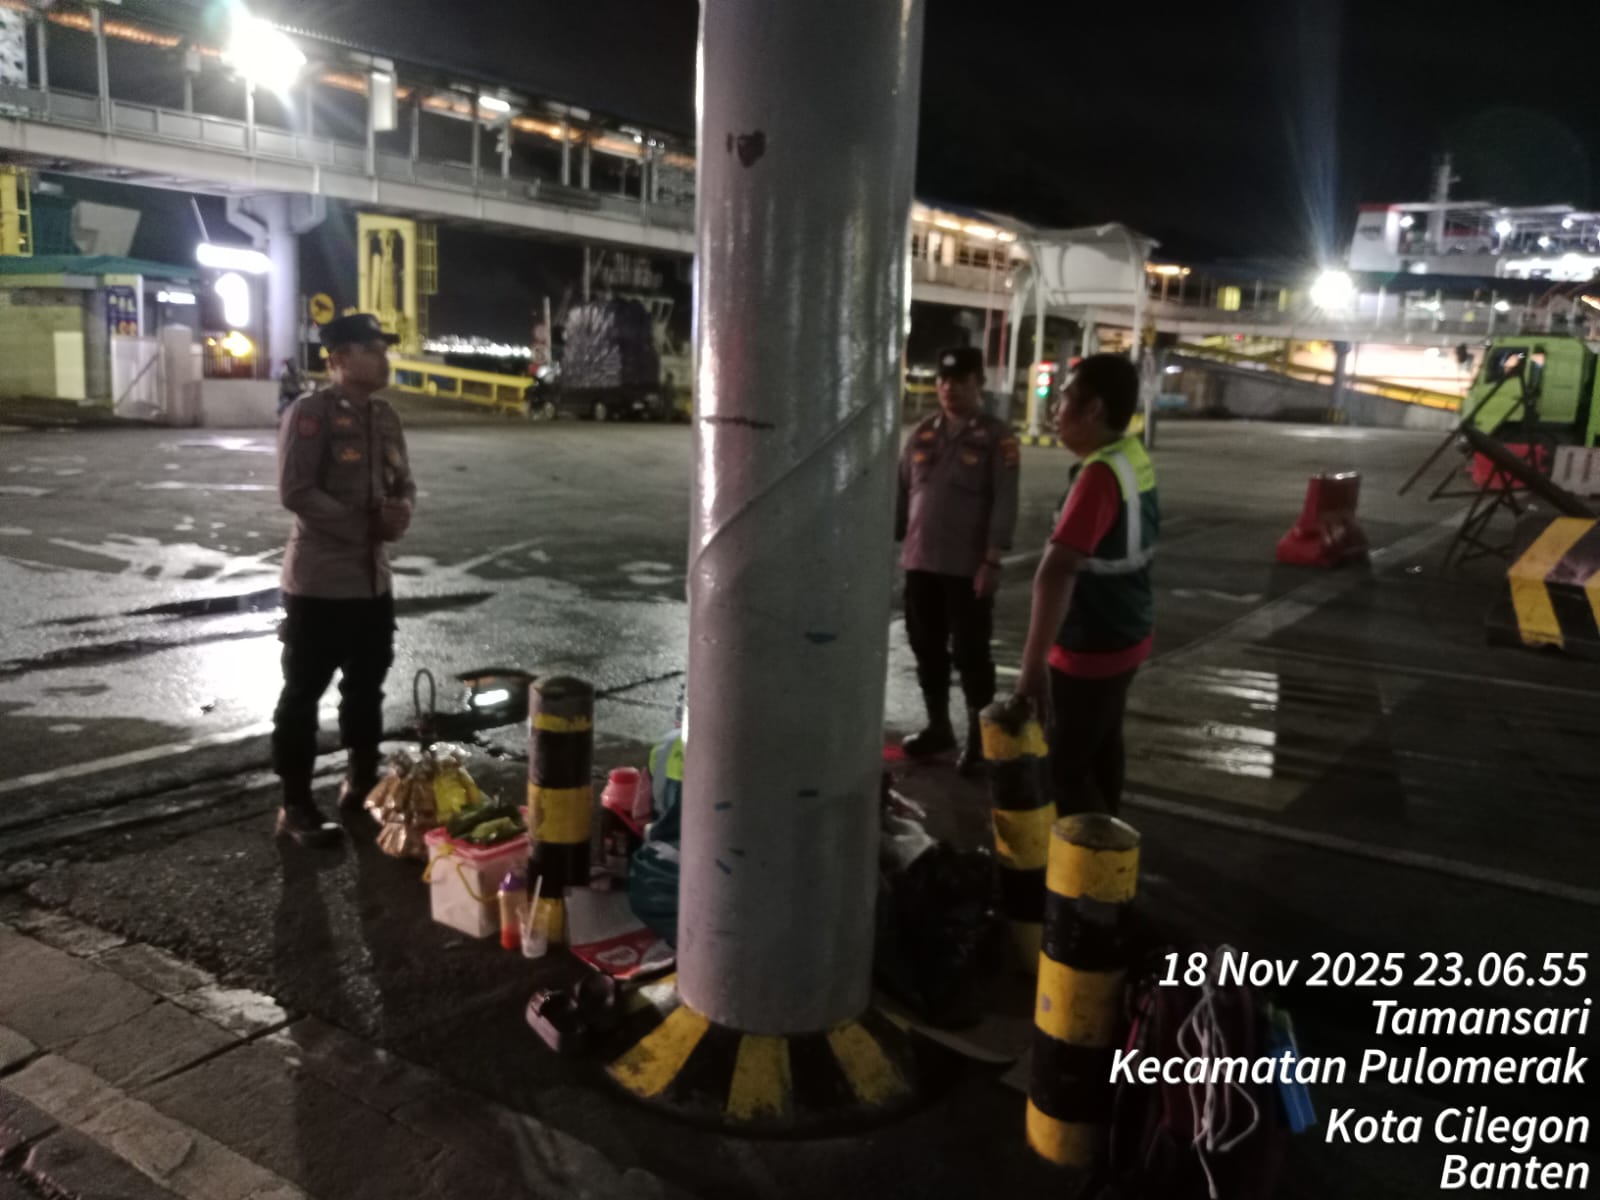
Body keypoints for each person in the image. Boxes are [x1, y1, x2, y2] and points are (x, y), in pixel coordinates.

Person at [271, 313, 415, 845]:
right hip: (320, 584)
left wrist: (402, 513)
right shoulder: (311, 414)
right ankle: (295, 805)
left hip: (372, 581)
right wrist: (363, 527)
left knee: (366, 688)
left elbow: (403, 482)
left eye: (384, 349)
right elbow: (296, 491)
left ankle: (360, 783)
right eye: (372, 349)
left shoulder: (385, 417)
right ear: (338, 359)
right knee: (303, 694)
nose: (383, 358)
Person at [1015, 353, 1157, 816]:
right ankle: (1109, 840)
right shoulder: (1129, 456)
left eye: (1064, 398)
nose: (1056, 409)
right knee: (1102, 747)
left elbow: (1056, 571)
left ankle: (1087, 854)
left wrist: (1033, 667)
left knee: (1064, 770)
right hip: (1127, 631)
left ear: (1093, 409)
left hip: (1091, 644)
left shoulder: (1098, 476)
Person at [895, 346, 1020, 775]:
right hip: (920, 563)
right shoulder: (921, 434)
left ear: (978, 384)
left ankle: (980, 742)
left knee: (971, 653)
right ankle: (938, 727)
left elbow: (1004, 500)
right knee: (926, 648)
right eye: (943, 380)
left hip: (967, 568)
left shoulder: (996, 438)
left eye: (960, 381)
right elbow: (902, 494)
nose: (949, 388)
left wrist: (992, 561)